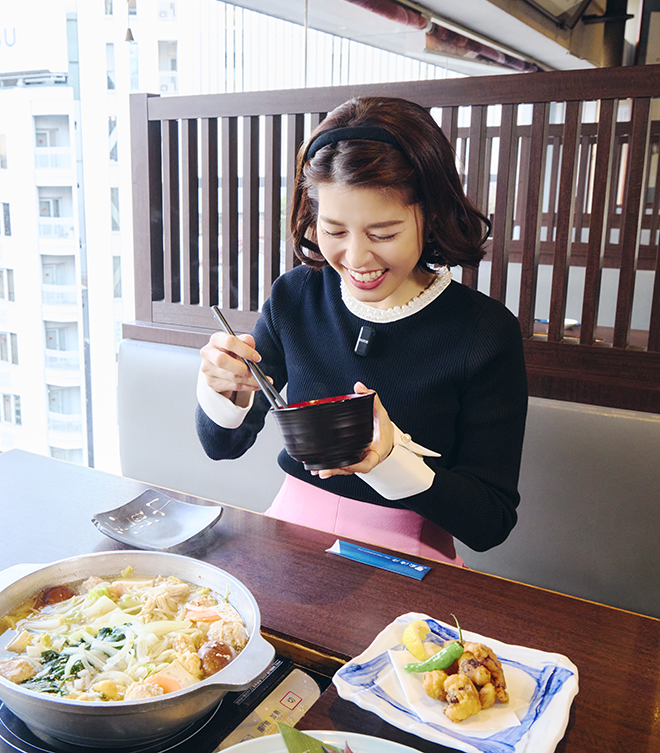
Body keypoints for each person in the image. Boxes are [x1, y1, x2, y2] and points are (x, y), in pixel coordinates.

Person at [196, 97, 527, 563]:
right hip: (287, 536)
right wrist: (224, 387)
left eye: (383, 234)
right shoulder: (296, 296)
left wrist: (392, 461)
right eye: (334, 231)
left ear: (430, 213)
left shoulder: (483, 332)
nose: (355, 259)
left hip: (411, 556)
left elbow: (490, 522)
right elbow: (222, 446)